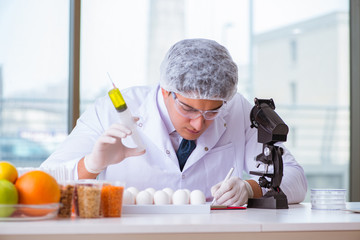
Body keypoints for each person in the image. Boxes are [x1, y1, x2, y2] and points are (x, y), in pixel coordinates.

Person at [41, 38, 307, 206]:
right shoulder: (110, 110)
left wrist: (250, 188)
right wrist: (92, 164)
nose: (198, 124)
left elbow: (295, 178)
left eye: (211, 111)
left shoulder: (237, 109)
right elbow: (43, 182)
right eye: (188, 108)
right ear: (165, 90)